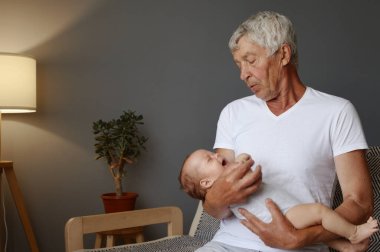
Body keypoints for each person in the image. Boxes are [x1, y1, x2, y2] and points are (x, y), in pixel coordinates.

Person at [199, 10, 373, 252]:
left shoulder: (337, 112)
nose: (243, 74)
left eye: (251, 60)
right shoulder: (233, 112)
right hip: (228, 244)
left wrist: (301, 238)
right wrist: (216, 198)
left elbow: (360, 203)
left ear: (283, 54)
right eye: (239, 64)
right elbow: (215, 207)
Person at [179, 149, 378, 251]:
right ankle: (353, 233)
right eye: (208, 159)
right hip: (281, 216)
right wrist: (240, 160)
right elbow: (246, 164)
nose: (215, 155)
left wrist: (239, 160)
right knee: (319, 212)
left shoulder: (227, 182)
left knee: (315, 222)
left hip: (283, 213)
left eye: (211, 153)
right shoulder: (226, 188)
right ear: (206, 183)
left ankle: (345, 244)